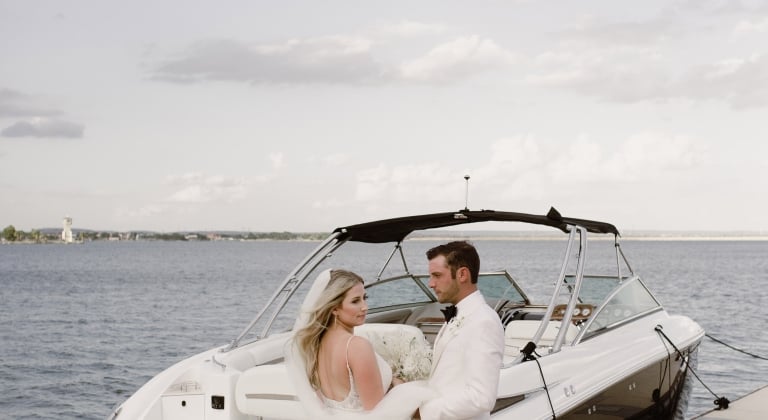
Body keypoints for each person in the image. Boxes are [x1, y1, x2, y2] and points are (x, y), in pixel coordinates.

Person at [419, 241, 505, 420]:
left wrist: (424, 412)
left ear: (462, 274)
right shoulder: (459, 314)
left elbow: (482, 397)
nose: (431, 283)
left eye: (436, 275)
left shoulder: (483, 321)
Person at [293, 269, 397, 412]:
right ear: (334, 308)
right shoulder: (357, 347)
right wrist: (398, 389)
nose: (364, 307)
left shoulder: (315, 345)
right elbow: (378, 413)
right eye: (355, 301)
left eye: (364, 298)